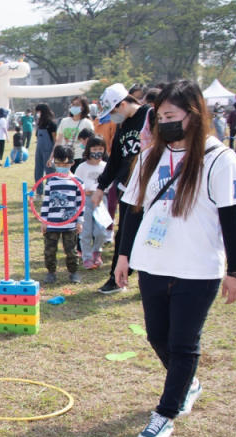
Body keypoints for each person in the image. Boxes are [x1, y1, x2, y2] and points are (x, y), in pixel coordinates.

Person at [114, 79, 236, 437]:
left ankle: (165, 412)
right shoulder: (150, 156)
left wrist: (235, 271)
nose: (162, 123)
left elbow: (230, 219)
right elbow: (133, 210)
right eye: (158, 116)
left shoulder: (219, 159)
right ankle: (188, 382)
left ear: (195, 114)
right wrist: (123, 255)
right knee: (158, 335)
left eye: (170, 115)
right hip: (153, 263)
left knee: (184, 342)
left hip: (197, 268)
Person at [91, 83, 151, 294]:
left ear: (123, 104)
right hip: (128, 189)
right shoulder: (123, 125)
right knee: (124, 235)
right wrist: (101, 187)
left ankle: (152, 283)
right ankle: (116, 279)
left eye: (113, 112)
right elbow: (115, 159)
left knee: (151, 238)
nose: (112, 117)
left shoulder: (150, 117)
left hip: (151, 192)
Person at [40, 145, 82, 284]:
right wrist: (44, 221)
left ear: (72, 162)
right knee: (50, 250)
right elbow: (46, 202)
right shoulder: (51, 181)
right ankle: (51, 272)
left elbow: (80, 204)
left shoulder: (77, 182)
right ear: (54, 162)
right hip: (52, 223)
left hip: (70, 223)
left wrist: (79, 221)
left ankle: (73, 272)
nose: (61, 166)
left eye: (65, 164)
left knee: (71, 250)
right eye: (58, 164)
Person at [75, 136, 109, 269]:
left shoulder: (105, 166)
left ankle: (97, 251)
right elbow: (77, 183)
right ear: (88, 150)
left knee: (100, 230)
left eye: (100, 149)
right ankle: (87, 257)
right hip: (86, 201)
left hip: (101, 201)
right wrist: (86, 191)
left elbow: (109, 183)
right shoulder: (82, 167)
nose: (97, 151)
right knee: (86, 231)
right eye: (94, 149)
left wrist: (100, 191)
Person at [55, 96, 95, 161]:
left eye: (77, 105)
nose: (74, 106)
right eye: (73, 104)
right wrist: (53, 156)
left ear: (83, 107)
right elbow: (58, 141)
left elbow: (91, 142)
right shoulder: (64, 121)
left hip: (80, 157)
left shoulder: (87, 123)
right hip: (65, 157)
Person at [33, 103, 57, 194]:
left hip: (49, 150)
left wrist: (54, 153)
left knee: (49, 171)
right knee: (38, 171)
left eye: (38, 112)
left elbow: (55, 139)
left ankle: (49, 191)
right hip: (39, 149)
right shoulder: (39, 124)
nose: (37, 114)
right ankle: (39, 191)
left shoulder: (51, 124)